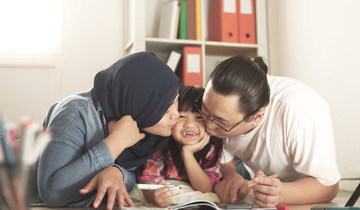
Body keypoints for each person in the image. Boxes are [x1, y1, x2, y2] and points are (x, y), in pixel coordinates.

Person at [31, 52, 183, 210]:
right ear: (138, 104)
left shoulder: (143, 127)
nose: (176, 115)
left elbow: (136, 174)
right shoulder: (73, 114)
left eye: (176, 101)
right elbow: (51, 192)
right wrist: (115, 142)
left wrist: (117, 172)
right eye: (165, 110)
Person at [198, 56, 341, 208]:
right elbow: (225, 159)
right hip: (252, 169)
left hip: (294, 182)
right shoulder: (220, 103)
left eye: (220, 122)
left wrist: (281, 193)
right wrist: (231, 175)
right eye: (204, 110)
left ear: (257, 117)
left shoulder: (300, 111)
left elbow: (328, 186)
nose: (207, 126)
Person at [137, 86, 223, 208]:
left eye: (199, 117)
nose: (190, 124)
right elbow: (148, 178)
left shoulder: (211, 147)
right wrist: (153, 196)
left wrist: (187, 153)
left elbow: (206, 188)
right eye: (182, 116)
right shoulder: (161, 145)